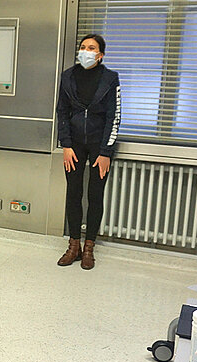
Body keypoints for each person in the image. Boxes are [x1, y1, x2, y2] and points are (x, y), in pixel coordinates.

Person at [56, 34, 121, 270]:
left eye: (91, 48)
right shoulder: (68, 77)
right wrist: (66, 145)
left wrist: (105, 151)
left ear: (100, 54)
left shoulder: (110, 79)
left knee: (95, 195)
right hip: (73, 145)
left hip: (99, 147)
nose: (86, 51)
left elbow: (114, 117)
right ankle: (73, 245)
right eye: (83, 47)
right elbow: (62, 112)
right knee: (73, 193)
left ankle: (89, 248)